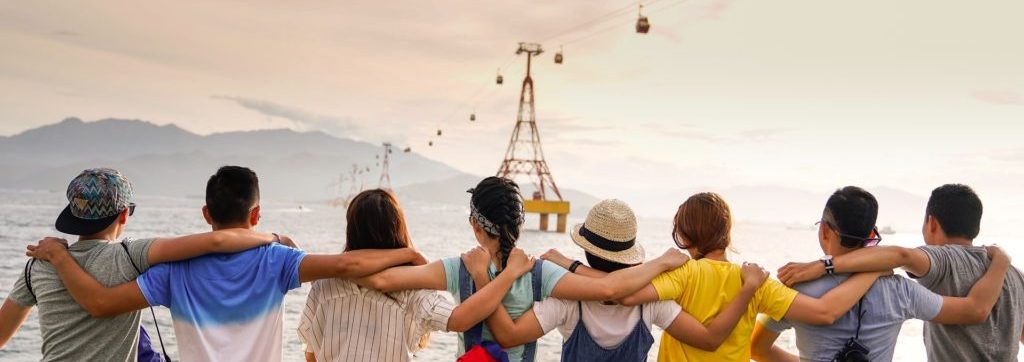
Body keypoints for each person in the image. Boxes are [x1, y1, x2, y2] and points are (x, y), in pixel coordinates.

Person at [24, 166, 425, 362]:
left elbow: (102, 304)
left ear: (204, 212)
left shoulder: (172, 272)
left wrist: (60, 257)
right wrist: (406, 254)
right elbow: (348, 266)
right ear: (256, 215)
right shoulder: (279, 261)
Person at [355, 177, 690, 362]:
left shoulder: (458, 268)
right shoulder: (540, 273)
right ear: (519, 223)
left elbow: (381, 279)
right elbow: (609, 289)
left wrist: (409, 253)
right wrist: (661, 263)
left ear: (475, 225)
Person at [0, 168, 279, 361]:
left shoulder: (38, 265)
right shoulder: (132, 256)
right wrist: (275, 237)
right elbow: (216, 242)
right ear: (123, 215)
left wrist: (59, 256)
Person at [477, 199, 771, 362]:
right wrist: (748, 288)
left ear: (586, 250)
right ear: (630, 255)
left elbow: (509, 336)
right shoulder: (653, 304)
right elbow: (709, 340)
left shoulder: (568, 301)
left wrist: (484, 279)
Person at [615, 192, 888, 362]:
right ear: (728, 231)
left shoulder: (682, 273)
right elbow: (825, 312)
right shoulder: (756, 282)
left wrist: (660, 262)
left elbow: (623, 294)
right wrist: (873, 269)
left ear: (684, 236)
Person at [751, 186, 1011, 362]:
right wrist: (1000, 261)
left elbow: (757, 348)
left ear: (825, 231)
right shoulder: (901, 290)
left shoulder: (794, 286)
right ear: (872, 236)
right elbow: (973, 310)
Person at [296, 189, 535, 362]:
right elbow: (461, 320)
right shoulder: (412, 290)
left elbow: (312, 354)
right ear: (398, 230)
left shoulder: (324, 286)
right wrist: (509, 273)